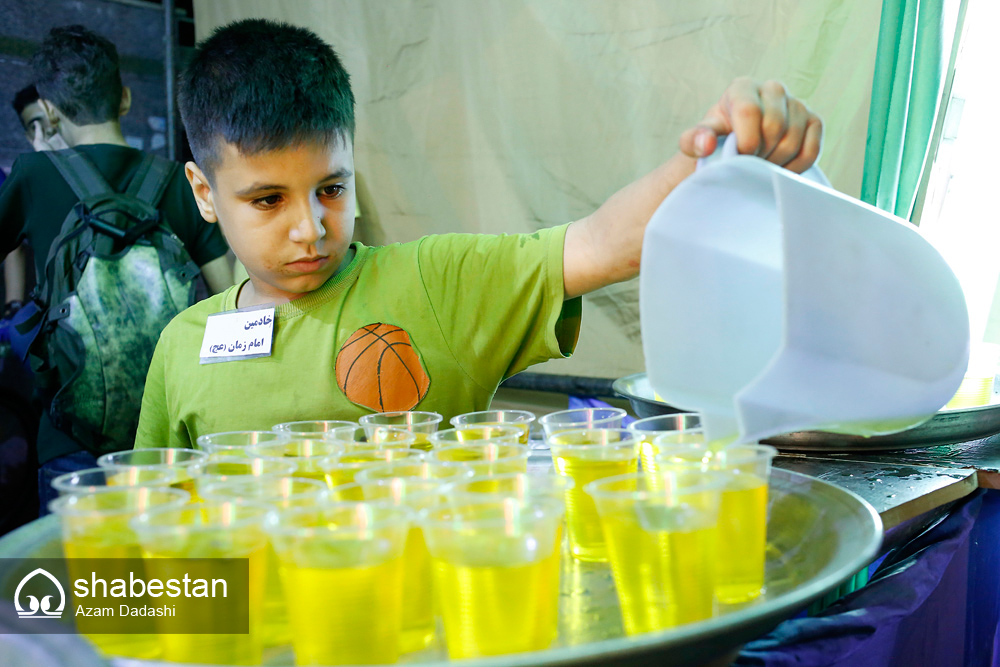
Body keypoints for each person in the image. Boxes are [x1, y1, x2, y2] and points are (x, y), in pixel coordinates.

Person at [134, 19, 820, 449]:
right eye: (267, 199)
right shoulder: (180, 350)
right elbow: (154, 534)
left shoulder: (437, 281)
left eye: (331, 189)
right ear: (204, 193)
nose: (310, 226)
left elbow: (602, 242)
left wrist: (716, 156)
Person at [0, 25, 234, 509]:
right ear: (125, 100)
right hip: (169, 434)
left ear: (48, 111)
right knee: (165, 573)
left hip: (69, 442)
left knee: (87, 577)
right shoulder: (178, 179)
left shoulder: (31, 174)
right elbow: (229, 296)